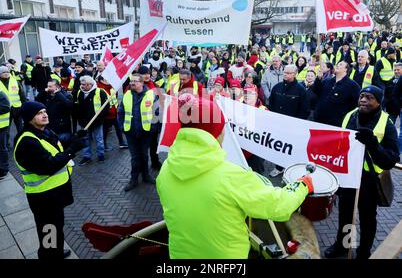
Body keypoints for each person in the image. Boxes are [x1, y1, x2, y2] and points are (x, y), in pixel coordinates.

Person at [156, 94, 313, 259]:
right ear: (216, 131)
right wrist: (302, 186)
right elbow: (279, 206)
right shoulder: (231, 176)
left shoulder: (166, 169)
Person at [325, 86, 399, 259]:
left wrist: (373, 144)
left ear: (379, 102)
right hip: (349, 177)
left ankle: (364, 251)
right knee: (345, 215)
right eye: (362, 96)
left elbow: (390, 160)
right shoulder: (350, 115)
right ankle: (343, 246)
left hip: (370, 181)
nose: (363, 100)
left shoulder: (386, 123)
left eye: (369, 97)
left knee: (367, 219)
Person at [13, 101, 86, 259]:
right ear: (29, 118)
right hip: (43, 199)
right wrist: (72, 150)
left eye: (44, 111)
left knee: (57, 227)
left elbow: (56, 147)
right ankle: (50, 256)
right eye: (39, 113)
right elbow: (48, 166)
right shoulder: (27, 142)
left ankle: (57, 253)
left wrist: (74, 139)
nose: (45, 114)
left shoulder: (44, 131)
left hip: (54, 195)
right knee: (49, 232)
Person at [118, 74, 156, 191]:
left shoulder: (151, 95)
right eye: (131, 81)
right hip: (131, 131)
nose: (132, 83)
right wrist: (122, 127)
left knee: (144, 155)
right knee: (135, 157)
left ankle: (146, 176)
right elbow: (121, 113)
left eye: (135, 81)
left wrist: (153, 129)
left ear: (141, 83)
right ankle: (133, 179)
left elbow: (157, 113)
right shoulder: (127, 95)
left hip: (146, 132)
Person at [313, 61, 361, 127]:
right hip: (319, 120)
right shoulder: (327, 80)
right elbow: (316, 91)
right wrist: (318, 78)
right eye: (337, 64)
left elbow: (356, 103)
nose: (337, 65)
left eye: (340, 64)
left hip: (336, 123)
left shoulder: (352, 85)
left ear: (346, 69)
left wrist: (344, 113)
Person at [75, 76, 109, 165]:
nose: (81, 86)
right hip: (84, 122)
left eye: (83, 85)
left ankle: (101, 155)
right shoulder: (80, 92)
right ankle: (87, 156)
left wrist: (99, 118)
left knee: (99, 139)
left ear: (90, 84)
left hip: (97, 122)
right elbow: (78, 107)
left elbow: (106, 107)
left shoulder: (100, 92)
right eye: (81, 84)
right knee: (86, 139)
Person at [36, 79, 74, 146]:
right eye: (47, 86)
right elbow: (37, 101)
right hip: (50, 126)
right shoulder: (46, 94)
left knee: (65, 148)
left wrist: (58, 94)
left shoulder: (65, 95)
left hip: (62, 127)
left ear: (57, 87)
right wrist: (43, 92)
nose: (48, 88)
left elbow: (69, 105)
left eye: (50, 86)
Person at [0, 65, 25, 136]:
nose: (6, 73)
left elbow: (22, 95)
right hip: (5, 110)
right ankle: (6, 145)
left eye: (7, 72)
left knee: (20, 127)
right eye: (3, 72)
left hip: (17, 108)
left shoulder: (15, 81)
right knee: (6, 130)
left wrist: (24, 106)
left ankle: (21, 142)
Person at [0, 91, 10, 179]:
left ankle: (4, 169)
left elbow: (6, 107)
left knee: (2, 148)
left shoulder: (1, 94)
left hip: (2, 126)